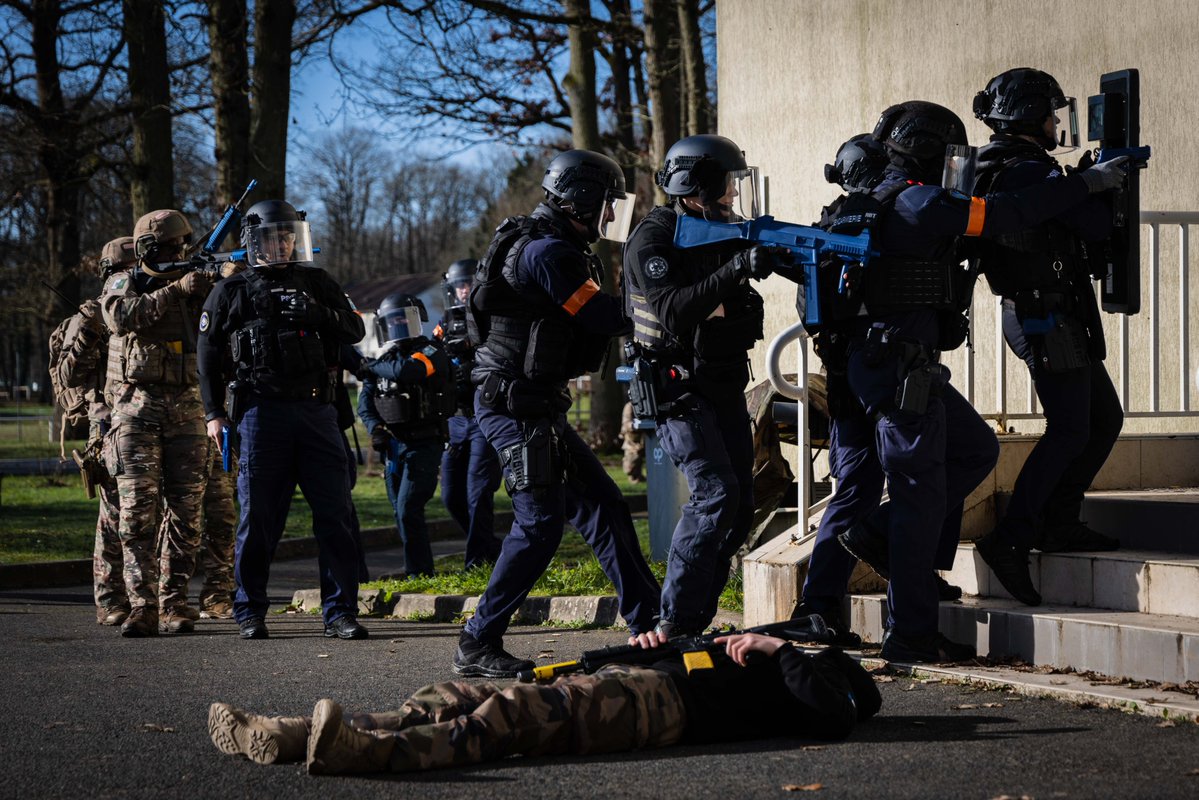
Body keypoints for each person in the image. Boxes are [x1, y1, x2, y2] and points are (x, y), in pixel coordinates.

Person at [813, 101, 1130, 662]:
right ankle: (910, 633)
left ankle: (879, 533)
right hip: (899, 368)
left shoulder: (881, 198)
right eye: (950, 153)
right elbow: (1005, 214)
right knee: (917, 496)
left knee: (976, 448)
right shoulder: (920, 202)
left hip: (887, 364)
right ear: (929, 151)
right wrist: (1087, 183)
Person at [457, 148, 661, 677]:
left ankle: (652, 623)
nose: (611, 215)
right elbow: (604, 317)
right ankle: (477, 642)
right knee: (540, 523)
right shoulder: (547, 252)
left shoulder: (558, 244)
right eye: (608, 203)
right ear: (581, 199)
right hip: (512, 405)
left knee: (604, 506)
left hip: (538, 405)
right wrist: (668, 291)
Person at [206, 632, 882, 775]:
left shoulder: (820, 688)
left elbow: (835, 716)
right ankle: (292, 733)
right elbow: (692, 659)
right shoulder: (769, 669)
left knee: (507, 718)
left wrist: (780, 649)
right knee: (455, 694)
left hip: (656, 710)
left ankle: (366, 753)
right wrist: (652, 646)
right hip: (634, 682)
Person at [970, 68, 1125, 607]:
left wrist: (1081, 181)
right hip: (1044, 316)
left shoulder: (1009, 167)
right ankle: (1010, 538)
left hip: (1051, 313)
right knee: (1070, 429)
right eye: (1052, 114)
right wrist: (1096, 184)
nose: (1057, 124)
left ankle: (1059, 522)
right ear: (1030, 115)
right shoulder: (1024, 170)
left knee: (1103, 420)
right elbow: (1094, 225)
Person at [798, 134, 961, 641]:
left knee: (872, 488)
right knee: (863, 491)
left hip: (862, 378)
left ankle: (882, 571)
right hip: (867, 380)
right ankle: (820, 607)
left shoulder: (851, 221)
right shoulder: (852, 226)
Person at [621, 134, 777, 638]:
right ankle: (673, 622)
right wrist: (738, 267)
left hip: (722, 382)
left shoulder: (718, 228)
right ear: (695, 187)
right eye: (726, 184)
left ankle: (694, 622)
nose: (733, 194)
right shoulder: (653, 238)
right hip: (676, 388)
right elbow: (672, 311)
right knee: (714, 494)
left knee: (740, 505)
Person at [196, 199, 369, 641]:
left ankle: (340, 613)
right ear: (254, 242)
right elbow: (207, 356)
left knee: (336, 515)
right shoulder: (230, 291)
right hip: (259, 415)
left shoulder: (318, 283)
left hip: (317, 412)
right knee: (258, 519)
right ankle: (250, 610)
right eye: (272, 239)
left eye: (288, 238)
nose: (282, 246)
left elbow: (355, 330)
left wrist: (317, 313)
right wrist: (214, 414)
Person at [100, 211, 212, 637]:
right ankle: (142, 606)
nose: (177, 253)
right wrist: (174, 290)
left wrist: (218, 283)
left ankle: (175, 603)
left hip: (188, 410)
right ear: (147, 249)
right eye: (167, 248)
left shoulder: (196, 282)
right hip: (136, 412)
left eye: (181, 246)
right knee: (136, 516)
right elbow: (119, 317)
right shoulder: (123, 281)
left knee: (187, 513)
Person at [51, 236, 137, 625]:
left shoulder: (144, 307)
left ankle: (142, 595)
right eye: (123, 271)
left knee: (145, 514)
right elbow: (69, 374)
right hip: (107, 427)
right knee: (114, 514)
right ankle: (110, 598)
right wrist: (91, 330)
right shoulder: (89, 317)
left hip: (145, 421)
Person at [359, 292, 454, 578]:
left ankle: (420, 572)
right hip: (393, 447)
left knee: (408, 508)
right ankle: (417, 568)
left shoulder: (431, 351)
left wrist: (369, 365)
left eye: (404, 319)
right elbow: (365, 403)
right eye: (393, 321)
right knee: (399, 510)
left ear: (417, 318)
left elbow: (410, 371)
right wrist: (375, 429)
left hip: (425, 443)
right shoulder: (386, 359)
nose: (398, 325)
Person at [434, 259, 503, 568]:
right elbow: (433, 353)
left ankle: (476, 561)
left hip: (483, 417)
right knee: (451, 495)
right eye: (459, 285)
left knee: (479, 492)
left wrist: (472, 356)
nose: (464, 290)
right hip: (455, 419)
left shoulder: (491, 316)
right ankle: (489, 546)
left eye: (468, 284)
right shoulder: (445, 321)